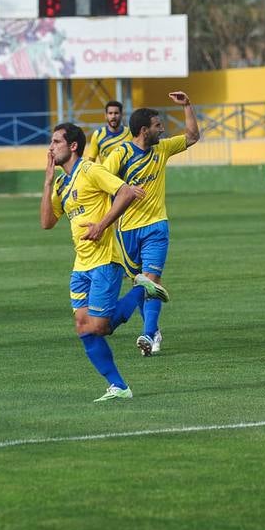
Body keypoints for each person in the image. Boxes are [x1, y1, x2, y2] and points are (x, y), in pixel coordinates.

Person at [42, 122, 146, 401]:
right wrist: (48, 182)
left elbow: (124, 192)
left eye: (55, 142)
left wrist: (101, 226)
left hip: (104, 260)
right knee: (83, 328)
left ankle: (141, 290)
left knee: (99, 327)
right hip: (81, 265)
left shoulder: (90, 169)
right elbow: (46, 222)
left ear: (73, 146)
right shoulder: (62, 183)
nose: (50, 147)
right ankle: (119, 387)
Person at [103, 91, 199, 357]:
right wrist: (123, 189)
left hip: (156, 226)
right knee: (139, 284)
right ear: (144, 130)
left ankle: (147, 333)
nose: (163, 129)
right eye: (158, 126)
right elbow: (100, 182)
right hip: (126, 231)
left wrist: (188, 106)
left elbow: (192, 136)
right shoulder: (120, 154)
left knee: (151, 280)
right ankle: (153, 330)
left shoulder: (163, 149)